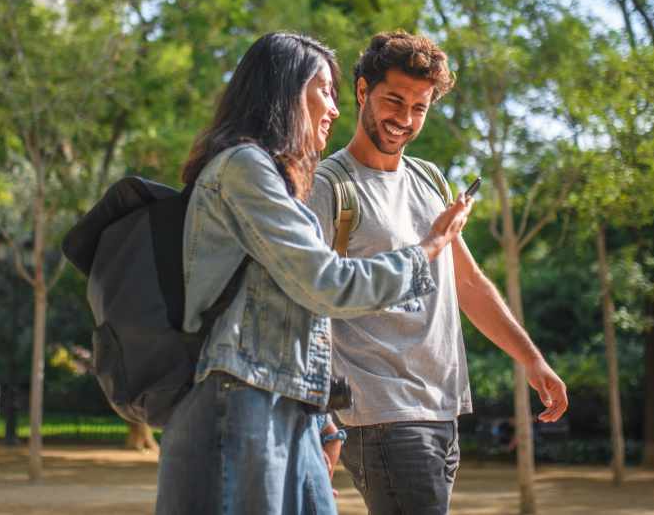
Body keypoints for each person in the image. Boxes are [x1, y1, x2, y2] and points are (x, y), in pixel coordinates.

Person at [154, 32, 476, 515]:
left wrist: (322, 416)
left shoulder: (278, 180)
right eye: (324, 90)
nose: (335, 108)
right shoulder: (243, 168)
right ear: (285, 90)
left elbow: (297, 307)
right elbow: (325, 284)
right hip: (242, 397)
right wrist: (429, 246)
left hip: (291, 402)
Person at [307, 30, 568, 515]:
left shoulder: (429, 178)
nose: (404, 119)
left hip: (442, 408)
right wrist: (317, 422)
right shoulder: (329, 187)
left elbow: (468, 283)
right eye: (394, 100)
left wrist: (531, 359)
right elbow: (305, 303)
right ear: (362, 90)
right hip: (381, 411)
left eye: (419, 107)